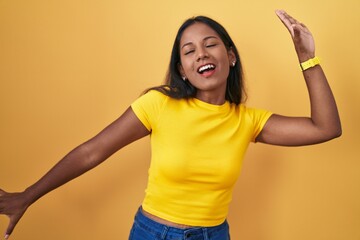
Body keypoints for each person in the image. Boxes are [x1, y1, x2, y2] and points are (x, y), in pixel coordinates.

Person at [0, 10, 341, 240]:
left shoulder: (247, 121)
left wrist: (306, 57)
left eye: (211, 45)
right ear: (181, 69)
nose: (201, 55)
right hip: (154, 234)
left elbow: (325, 127)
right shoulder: (158, 105)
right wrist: (27, 196)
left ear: (231, 56)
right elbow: (92, 152)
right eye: (189, 51)